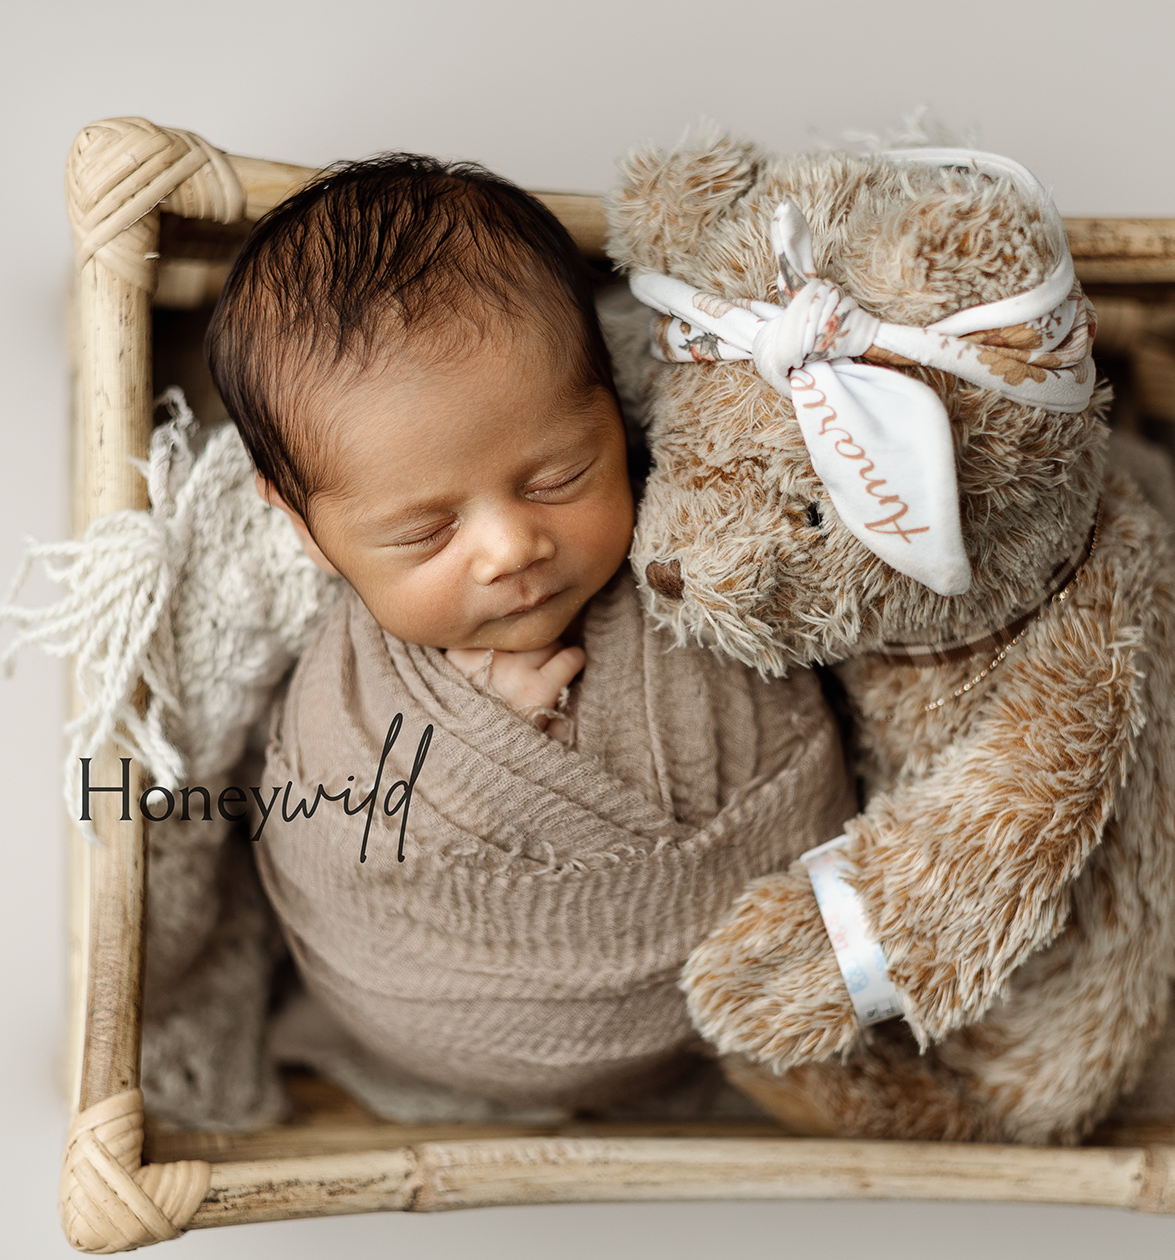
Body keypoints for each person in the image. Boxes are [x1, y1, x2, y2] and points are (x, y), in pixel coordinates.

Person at [204, 154, 853, 1110]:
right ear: (305, 529)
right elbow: (337, 837)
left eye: (557, 476)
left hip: (750, 991)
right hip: (423, 1015)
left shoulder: (691, 551)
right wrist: (469, 765)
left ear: (617, 416)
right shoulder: (344, 698)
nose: (511, 546)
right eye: (426, 532)